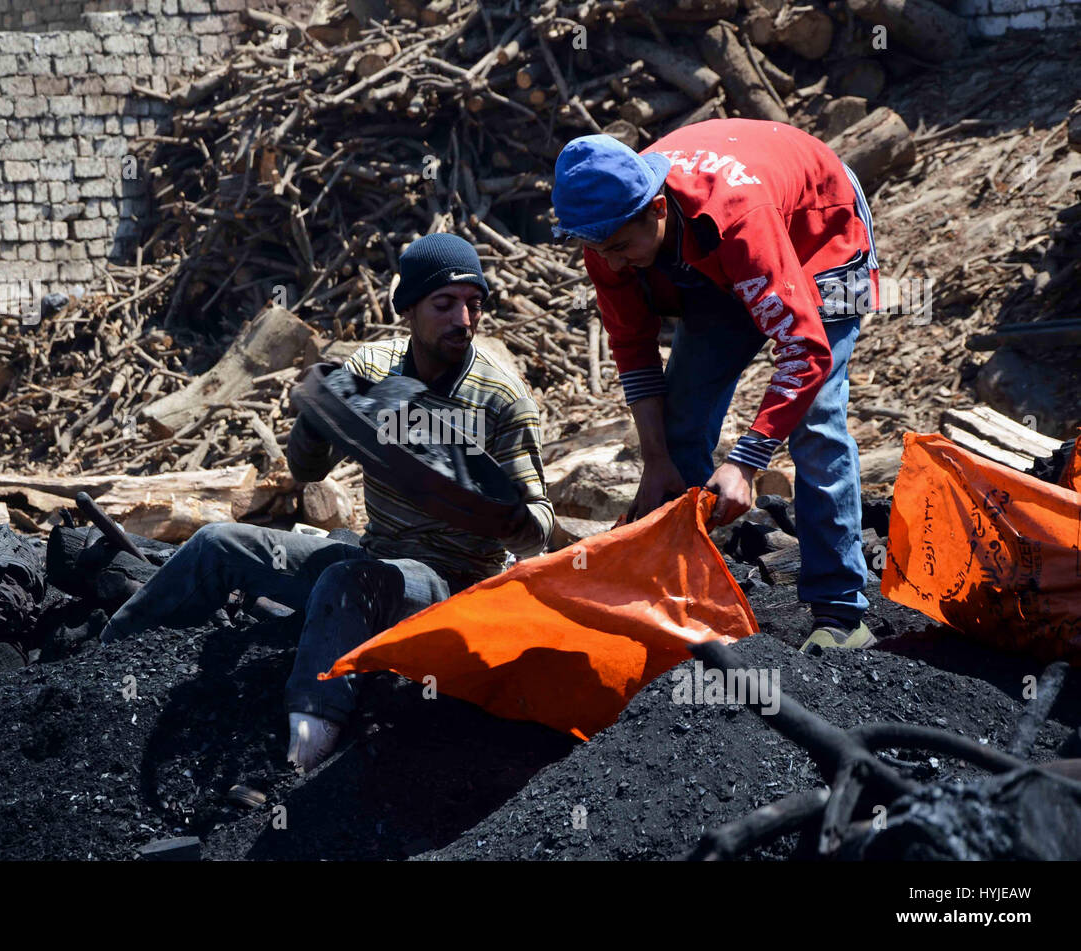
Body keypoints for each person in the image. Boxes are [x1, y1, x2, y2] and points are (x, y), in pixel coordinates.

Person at [99, 233, 554, 771]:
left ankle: (302, 756)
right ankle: (101, 663)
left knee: (348, 584)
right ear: (408, 308)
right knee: (218, 543)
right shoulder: (375, 370)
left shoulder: (500, 399)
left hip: (448, 583)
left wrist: (484, 508)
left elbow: (539, 526)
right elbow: (308, 471)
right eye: (445, 303)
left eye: (473, 305)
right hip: (375, 553)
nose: (464, 319)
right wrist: (313, 424)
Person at [551, 119, 878, 652]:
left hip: (817, 227)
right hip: (710, 257)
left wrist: (746, 462)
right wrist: (656, 458)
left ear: (656, 209)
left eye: (618, 247)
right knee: (679, 437)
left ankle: (842, 615)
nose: (609, 263)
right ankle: (681, 605)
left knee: (815, 423)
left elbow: (805, 351)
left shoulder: (737, 219)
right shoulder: (606, 232)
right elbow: (634, 349)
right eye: (599, 250)